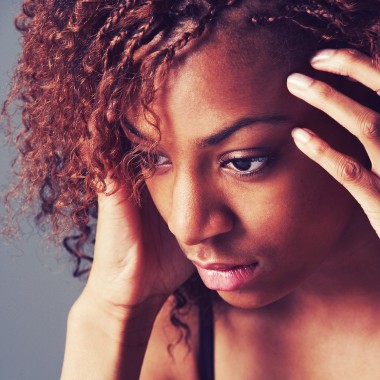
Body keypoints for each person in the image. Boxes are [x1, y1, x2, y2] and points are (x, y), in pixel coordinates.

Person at [2, 0, 380, 378]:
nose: (188, 226)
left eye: (244, 162)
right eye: (151, 159)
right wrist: (111, 315)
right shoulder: (176, 334)